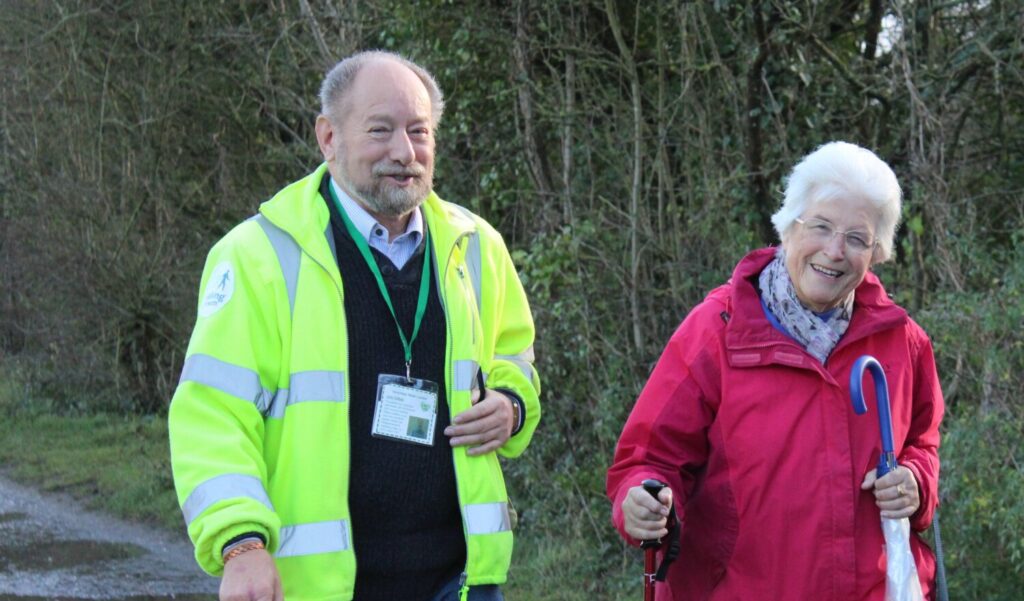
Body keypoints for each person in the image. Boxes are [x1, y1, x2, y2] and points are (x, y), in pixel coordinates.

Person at [169, 50, 541, 601]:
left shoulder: (477, 246)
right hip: (318, 588)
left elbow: (515, 357)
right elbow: (213, 414)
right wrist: (240, 545)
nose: (404, 151)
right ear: (328, 137)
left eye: (419, 131)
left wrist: (511, 404)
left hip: (460, 584)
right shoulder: (257, 255)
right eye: (379, 130)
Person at [607, 141, 944, 600]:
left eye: (857, 238)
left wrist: (916, 484)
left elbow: (922, 443)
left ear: (877, 251)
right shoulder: (715, 332)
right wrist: (642, 502)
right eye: (821, 227)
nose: (835, 250)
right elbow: (649, 459)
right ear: (788, 227)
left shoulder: (903, 342)